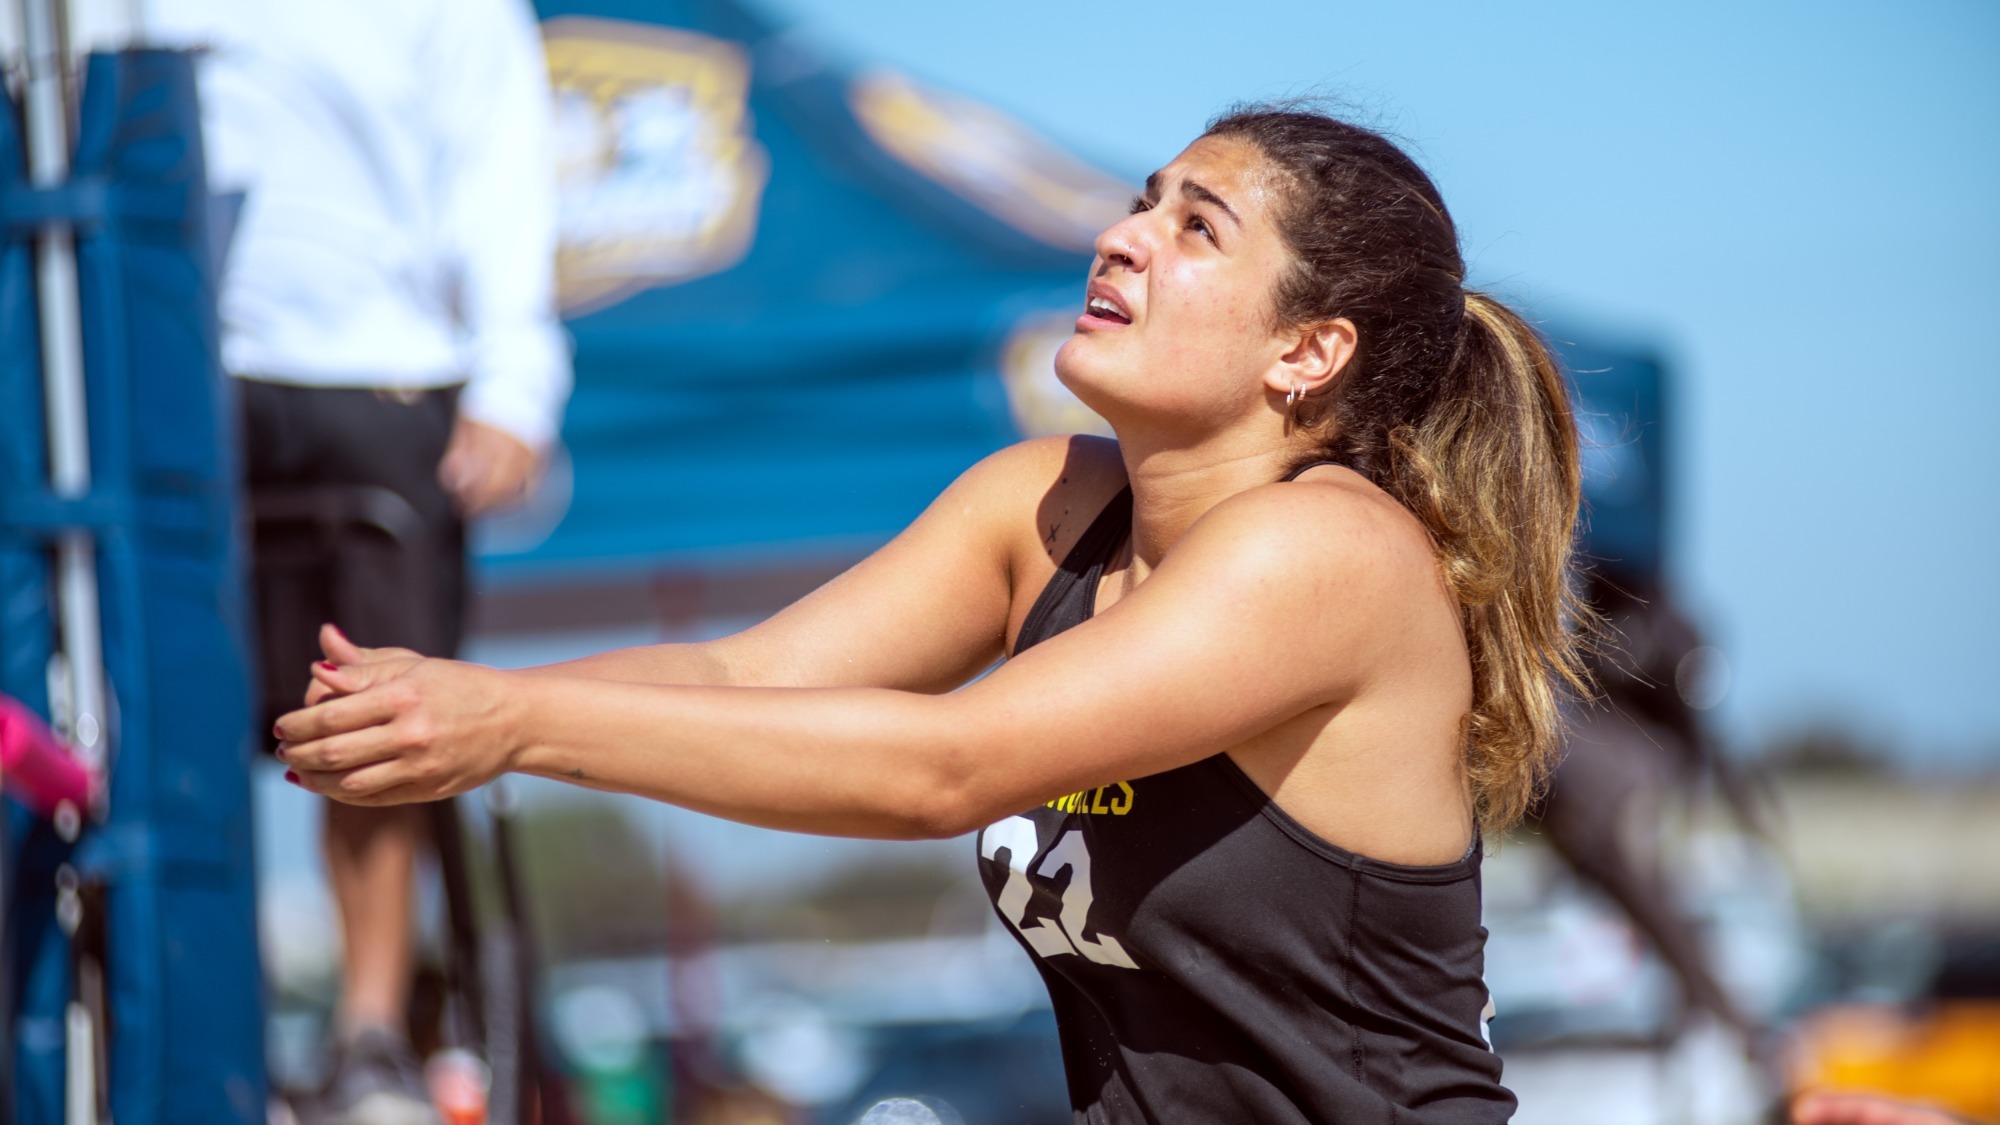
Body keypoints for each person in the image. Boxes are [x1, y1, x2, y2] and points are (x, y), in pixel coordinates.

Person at [277, 106, 1585, 1123]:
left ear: (1308, 352)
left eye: (1197, 229)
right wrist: (429, 698)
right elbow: (744, 677)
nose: (1121, 236)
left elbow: (942, 767)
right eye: (1140, 203)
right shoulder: (1044, 505)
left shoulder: (1331, 552)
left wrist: (513, 722)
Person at [140, 0, 571, 1121]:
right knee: (168, 712)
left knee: (376, 720)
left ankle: (368, 1035)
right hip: (179, 363)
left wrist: (515, 377)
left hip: (387, 368)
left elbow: (501, 159)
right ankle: (187, 1022)